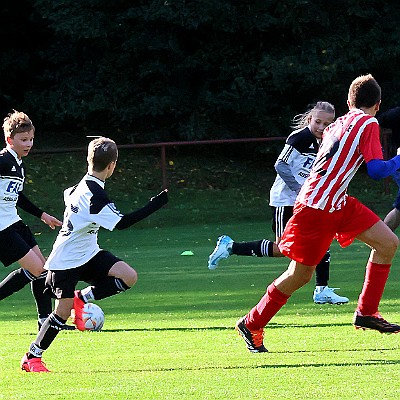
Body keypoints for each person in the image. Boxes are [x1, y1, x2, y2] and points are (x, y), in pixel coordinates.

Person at [234, 74, 400, 353]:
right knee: (300, 275)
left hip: (335, 202)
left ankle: (366, 312)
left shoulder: (339, 123)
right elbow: (375, 170)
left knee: (388, 243)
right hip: (318, 208)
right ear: (378, 105)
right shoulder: (368, 122)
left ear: (348, 102)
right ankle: (251, 323)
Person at [20, 136, 169, 372]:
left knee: (128, 276)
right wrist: (156, 204)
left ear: (89, 161)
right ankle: (32, 357)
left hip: (88, 253)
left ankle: (83, 297)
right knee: (62, 311)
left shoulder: (81, 186)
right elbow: (121, 223)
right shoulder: (95, 196)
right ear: (112, 166)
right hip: (66, 261)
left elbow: (67, 195)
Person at [208, 102, 349, 304]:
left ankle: (322, 289)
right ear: (310, 119)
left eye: (326, 123)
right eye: (317, 121)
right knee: (283, 248)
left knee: (321, 238)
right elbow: (280, 164)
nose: (321, 127)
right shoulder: (299, 138)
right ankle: (231, 246)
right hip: (286, 199)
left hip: (308, 201)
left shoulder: (326, 141)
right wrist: (298, 189)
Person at [0, 110, 67, 331]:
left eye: (31, 139)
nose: (29, 144)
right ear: (10, 140)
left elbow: (17, 196)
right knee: (38, 270)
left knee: (44, 269)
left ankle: (43, 320)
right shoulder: (3, 160)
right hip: (2, 228)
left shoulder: (19, 163)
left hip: (14, 222)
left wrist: (42, 215)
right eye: (24, 140)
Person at [377, 107, 400, 231]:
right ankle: (381, 239)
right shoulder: (396, 114)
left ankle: (381, 239)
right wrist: (377, 148)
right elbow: (377, 124)